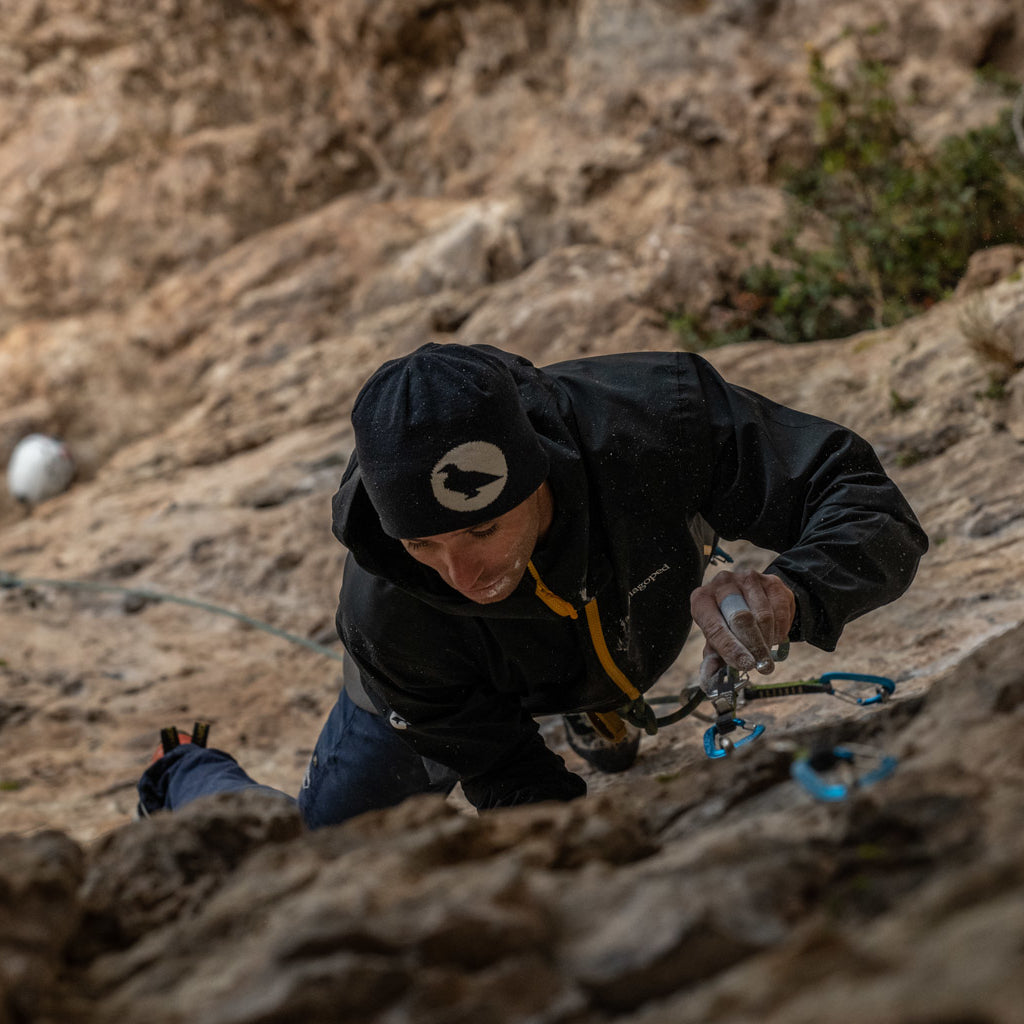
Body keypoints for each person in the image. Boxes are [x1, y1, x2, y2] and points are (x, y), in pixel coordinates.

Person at [137, 343, 928, 825]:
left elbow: (867, 505)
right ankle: (183, 771)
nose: (464, 574)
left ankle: (599, 702)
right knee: (314, 861)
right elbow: (508, 777)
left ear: (539, 472)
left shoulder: (656, 425)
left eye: (483, 529)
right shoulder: (389, 606)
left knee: (590, 653)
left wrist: (795, 590)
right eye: (426, 543)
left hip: (620, 609)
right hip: (448, 698)